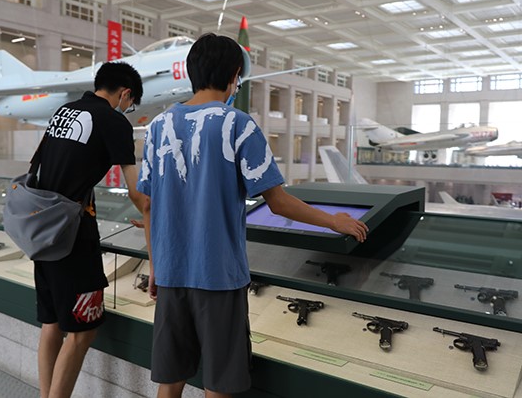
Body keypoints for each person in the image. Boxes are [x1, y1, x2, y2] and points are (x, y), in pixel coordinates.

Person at [137, 33, 368, 398]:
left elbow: (148, 204)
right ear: (234, 76)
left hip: (171, 273)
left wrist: (155, 266)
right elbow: (278, 203)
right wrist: (333, 221)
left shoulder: (157, 127)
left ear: (191, 73)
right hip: (218, 277)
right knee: (220, 382)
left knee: (171, 380)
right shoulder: (238, 124)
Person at [34, 61, 145, 398]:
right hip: (74, 237)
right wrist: (156, 217)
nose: (128, 109)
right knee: (82, 332)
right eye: (131, 103)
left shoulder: (64, 112)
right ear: (125, 93)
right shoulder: (114, 120)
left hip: (42, 227)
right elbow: (137, 192)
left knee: (52, 323)